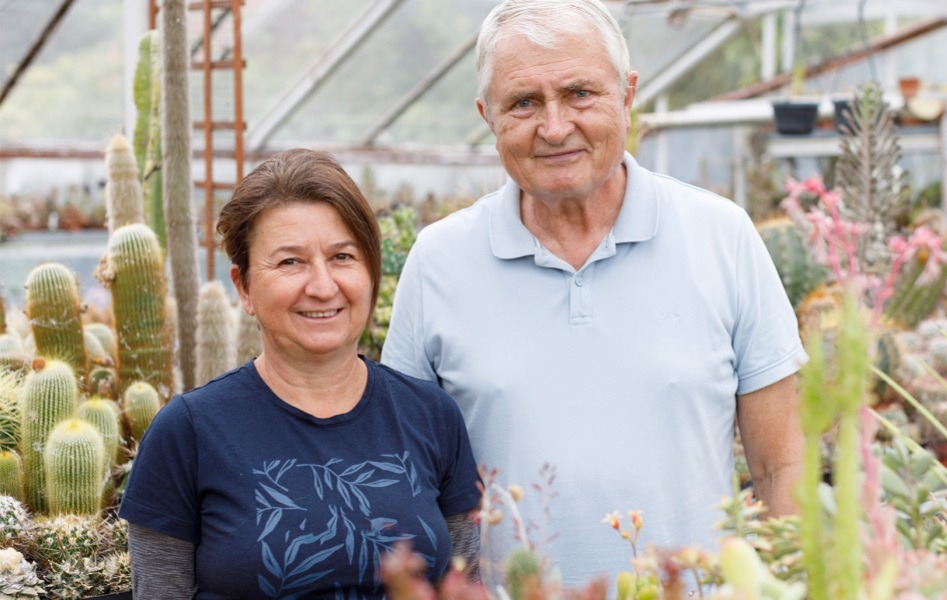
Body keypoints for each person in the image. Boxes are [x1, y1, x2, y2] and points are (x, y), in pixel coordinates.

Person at [381, 0, 808, 587]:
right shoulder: (438, 261)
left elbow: (780, 463)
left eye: (580, 93)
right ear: (487, 115)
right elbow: (406, 483)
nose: (555, 128)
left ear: (628, 93)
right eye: (524, 103)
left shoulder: (722, 236)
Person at [119, 148, 481, 599]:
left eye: (343, 257)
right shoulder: (189, 432)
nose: (323, 286)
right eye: (290, 261)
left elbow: (464, 586)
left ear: (372, 272)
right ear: (244, 286)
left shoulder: (430, 416)